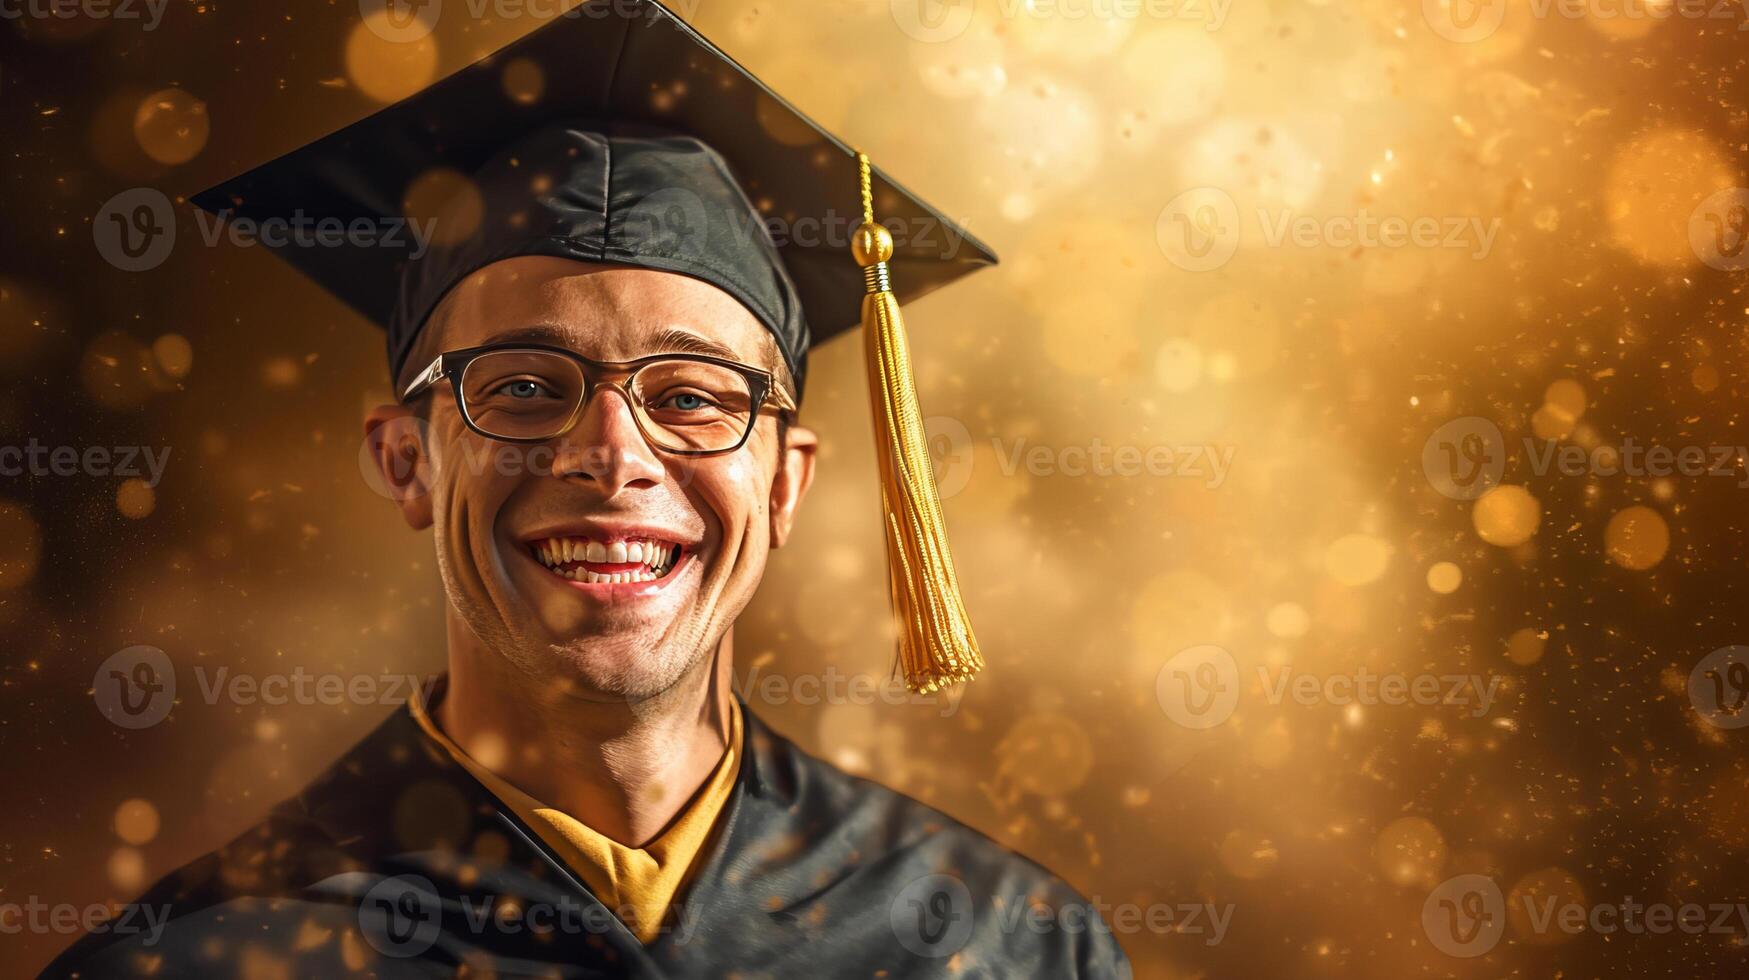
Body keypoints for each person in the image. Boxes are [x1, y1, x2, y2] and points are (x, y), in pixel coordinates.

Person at [45, 2, 1130, 976]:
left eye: (696, 396)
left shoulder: (1004, 942)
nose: (614, 454)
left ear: (787, 483)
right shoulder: (209, 955)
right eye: (522, 386)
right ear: (406, 460)